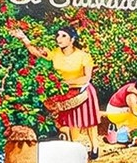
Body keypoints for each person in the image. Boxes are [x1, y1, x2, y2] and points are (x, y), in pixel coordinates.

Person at [9, 23, 103, 155]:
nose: (59, 38)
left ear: (72, 39)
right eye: (58, 35)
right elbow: (36, 52)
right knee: (68, 122)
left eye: (64, 36)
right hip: (65, 93)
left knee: (89, 122)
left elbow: (86, 78)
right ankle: (72, 150)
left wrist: (65, 83)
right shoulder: (55, 53)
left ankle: (95, 148)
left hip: (83, 91)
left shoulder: (83, 56)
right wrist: (24, 38)